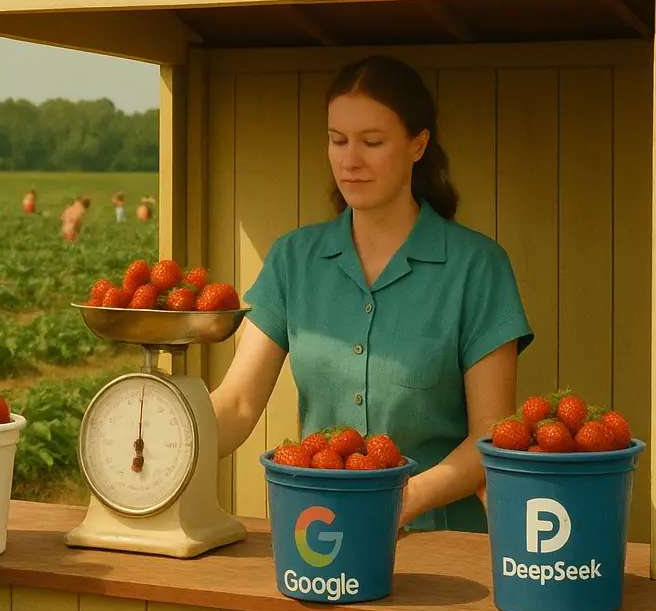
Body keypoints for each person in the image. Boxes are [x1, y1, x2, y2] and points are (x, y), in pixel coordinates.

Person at [209, 55, 532, 533]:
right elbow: (237, 403)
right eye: (337, 140)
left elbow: (491, 436)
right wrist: (165, 442)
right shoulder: (292, 259)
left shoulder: (478, 267)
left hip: (443, 548)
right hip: (318, 530)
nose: (350, 159)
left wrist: (407, 497)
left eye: (372, 142)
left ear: (418, 145)